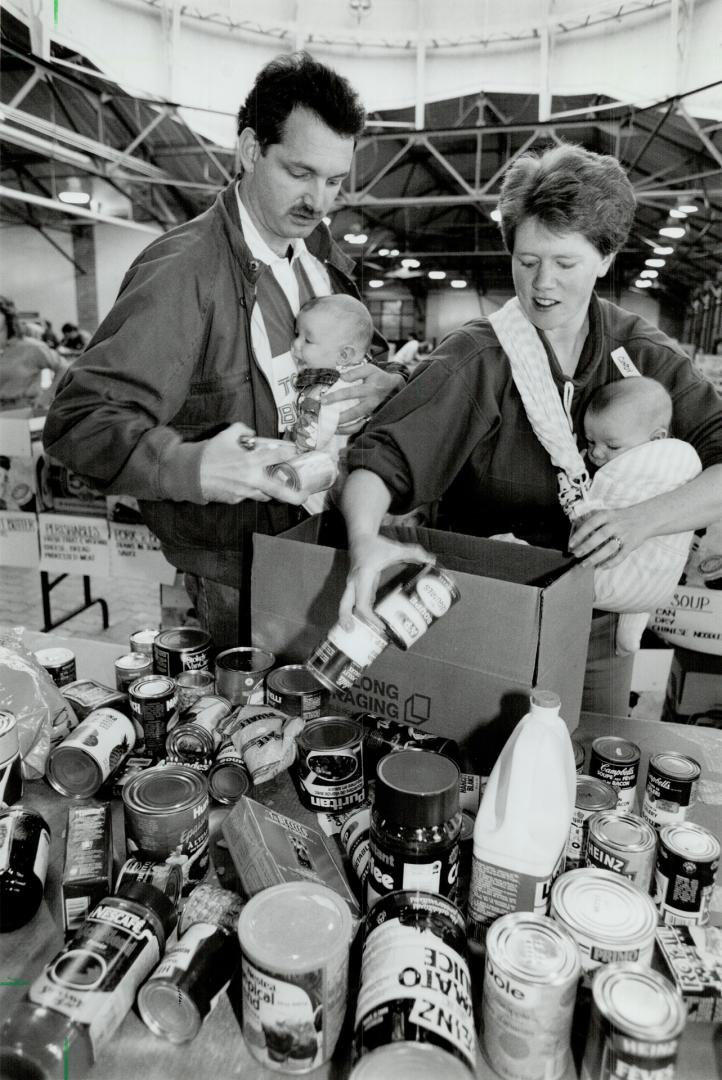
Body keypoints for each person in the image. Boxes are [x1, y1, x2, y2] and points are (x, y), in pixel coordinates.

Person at [338, 144, 722, 716]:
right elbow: (383, 456)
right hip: (488, 614)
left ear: (605, 257)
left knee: (587, 770)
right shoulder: (480, 356)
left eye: (565, 263)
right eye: (526, 260)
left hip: (597, 626)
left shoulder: (642, 354)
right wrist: (366, 538)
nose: (543, 284)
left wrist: (641, 523)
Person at [43, 52, 406, 649]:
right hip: (238, 572)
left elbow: (354, 349)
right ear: (248, 150)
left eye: (335, 181)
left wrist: (383, 380)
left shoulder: (321, 255)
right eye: (299, 172)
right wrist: (195, 465)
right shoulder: (184, 271)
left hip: (324, 534)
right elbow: (79, 421)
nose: (319, 201)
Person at [580, 377, 702, 654]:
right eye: (591, 441)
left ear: (656, 440)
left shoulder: (652, 470)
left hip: (616, 581)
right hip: (657, 590)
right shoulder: (682, 461)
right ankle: (630, 635)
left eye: (612, 446)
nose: (597, 452)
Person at [287, 294, 372, 512]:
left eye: (307, 340)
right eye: (297, 334)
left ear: (344, 355)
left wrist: (283, 442)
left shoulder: (330, 389)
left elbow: (310, 440)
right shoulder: (356, 376)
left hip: (316, 488)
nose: (295, 345)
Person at [0, 297, 67, 413]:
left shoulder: (31, 347)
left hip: (23, 411)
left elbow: (65, 367)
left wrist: (47, 396)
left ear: (7, 316)